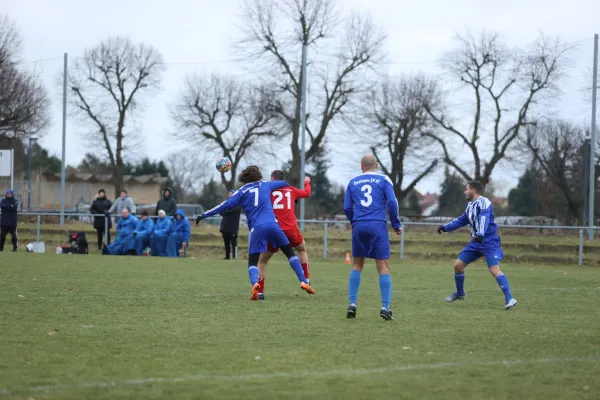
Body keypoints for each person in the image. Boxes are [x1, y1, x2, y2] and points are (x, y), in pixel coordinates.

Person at [196, 165, 314, 300]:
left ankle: (256, 287)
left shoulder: (241, 192)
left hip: (257, 229)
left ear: (244, 178)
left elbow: (224, 205)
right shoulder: (266, 185)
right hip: (274, 225)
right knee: (290, 253)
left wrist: (204, 214)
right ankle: (303, 280)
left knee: (253, 262)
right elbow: (284, 183)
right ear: (259, 176)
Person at [437, 180, 518, 310]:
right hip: (476, 242)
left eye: (466, 189)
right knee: (458, 265)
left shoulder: (484, 202)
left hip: (489, 241)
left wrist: (480, 233)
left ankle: (510, 299)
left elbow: (484, 218)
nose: (465, 191)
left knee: (494, 269)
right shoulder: (470, 206)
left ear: (472, 190)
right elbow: (461, 220)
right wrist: (445, 227)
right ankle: (460, 293)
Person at [343, 154, 402, 321]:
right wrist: (396, 224)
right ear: (376, 165)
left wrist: (354, 221)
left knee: (357, 264)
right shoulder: (384, 180)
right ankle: (385, 307)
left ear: (361, 166)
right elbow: (392, 202)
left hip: (359, 225)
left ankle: (352, 304)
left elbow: (347, 207)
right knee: (382, 265)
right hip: (377, 224)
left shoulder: (353, 182)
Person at [256, 171, 312, 300]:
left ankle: (260, 292)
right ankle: (306, 279)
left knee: (262, 261)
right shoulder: (291, 190)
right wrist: (307, 182)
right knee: (302, 250)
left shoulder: (267, 192)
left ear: (272, 179)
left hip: (275, 230)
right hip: (291, 229)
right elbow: (307, 193)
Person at [220, 190, 241, 260]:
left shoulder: (237, 204)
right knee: (226, 243)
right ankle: (227, 256)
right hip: (225, 227)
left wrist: (224, 209)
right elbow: (221, 212)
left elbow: (230, 211)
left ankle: (234, 256)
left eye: (231, 194)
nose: (229, 195)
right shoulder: (226, 203)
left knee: (233, 243)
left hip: (233, 228)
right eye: (229, 194)